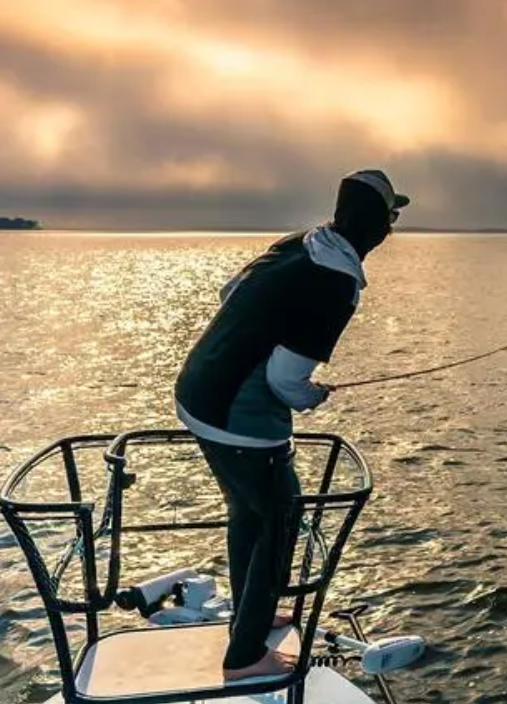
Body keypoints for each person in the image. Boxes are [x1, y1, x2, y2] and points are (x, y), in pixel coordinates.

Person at [173, 169, 410, 680]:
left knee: (249, 515)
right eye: (390, 218)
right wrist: (311, 396)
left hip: (197, 391)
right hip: (240, 418)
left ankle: (248, 620)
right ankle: (244, 658)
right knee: (280, 521)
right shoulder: (337, 280)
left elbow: (228, 290)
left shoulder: (300, 242)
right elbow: (286, 380)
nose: (391, 228)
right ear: (377, 227)